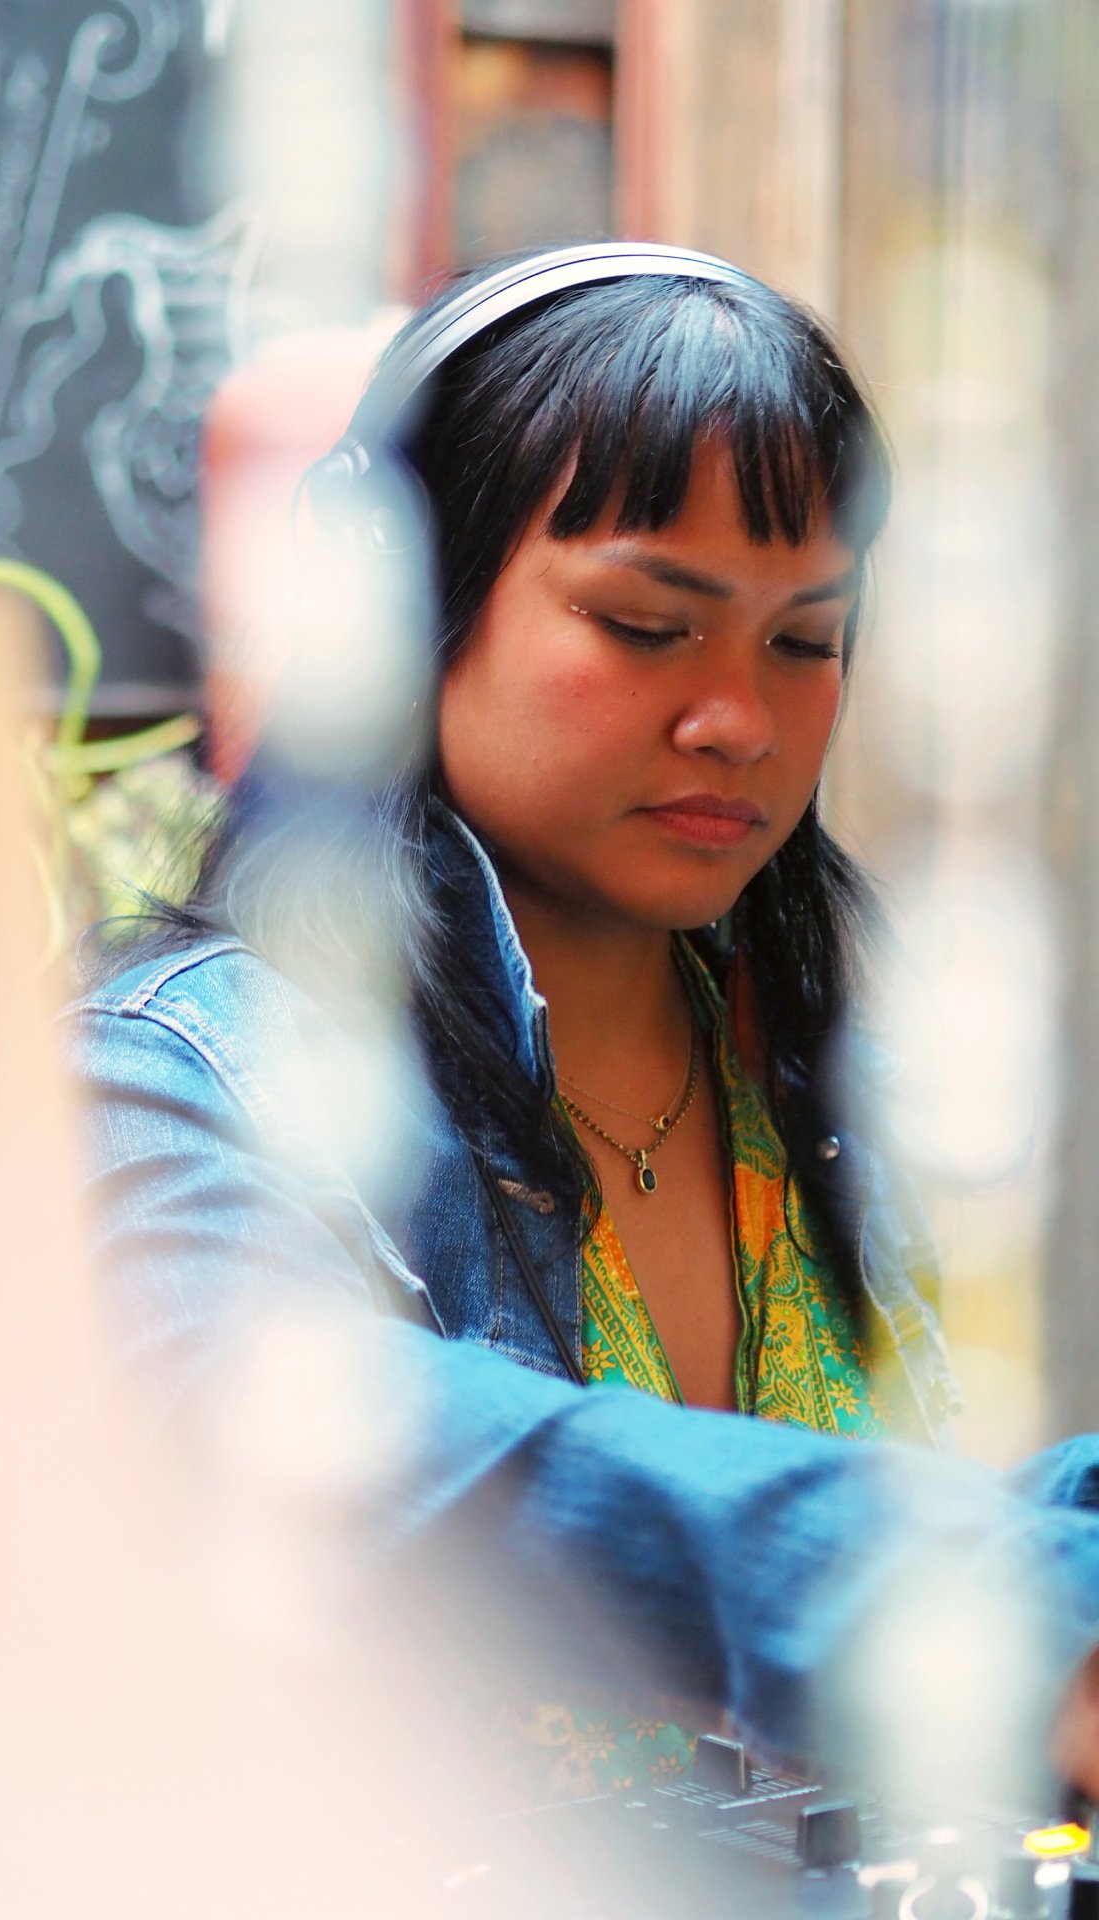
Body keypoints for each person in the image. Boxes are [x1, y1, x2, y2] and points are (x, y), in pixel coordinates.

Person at [72, 245, 1099, 1804]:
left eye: (805, 643)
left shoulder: (837, 1098)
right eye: (645, 624)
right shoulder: (177, 1079)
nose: (738, 720)